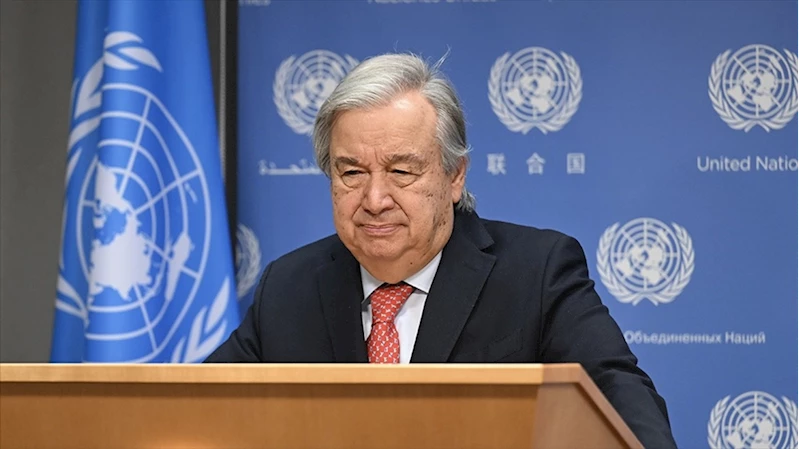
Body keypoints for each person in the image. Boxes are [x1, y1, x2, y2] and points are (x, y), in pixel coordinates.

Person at [205, 53, 678, 449]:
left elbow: (623, 407)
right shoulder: (289, 287)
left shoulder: (537, 273)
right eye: (351, 173)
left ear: (455, 176)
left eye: (401, 172)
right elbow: (197, 412)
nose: (374, 199)